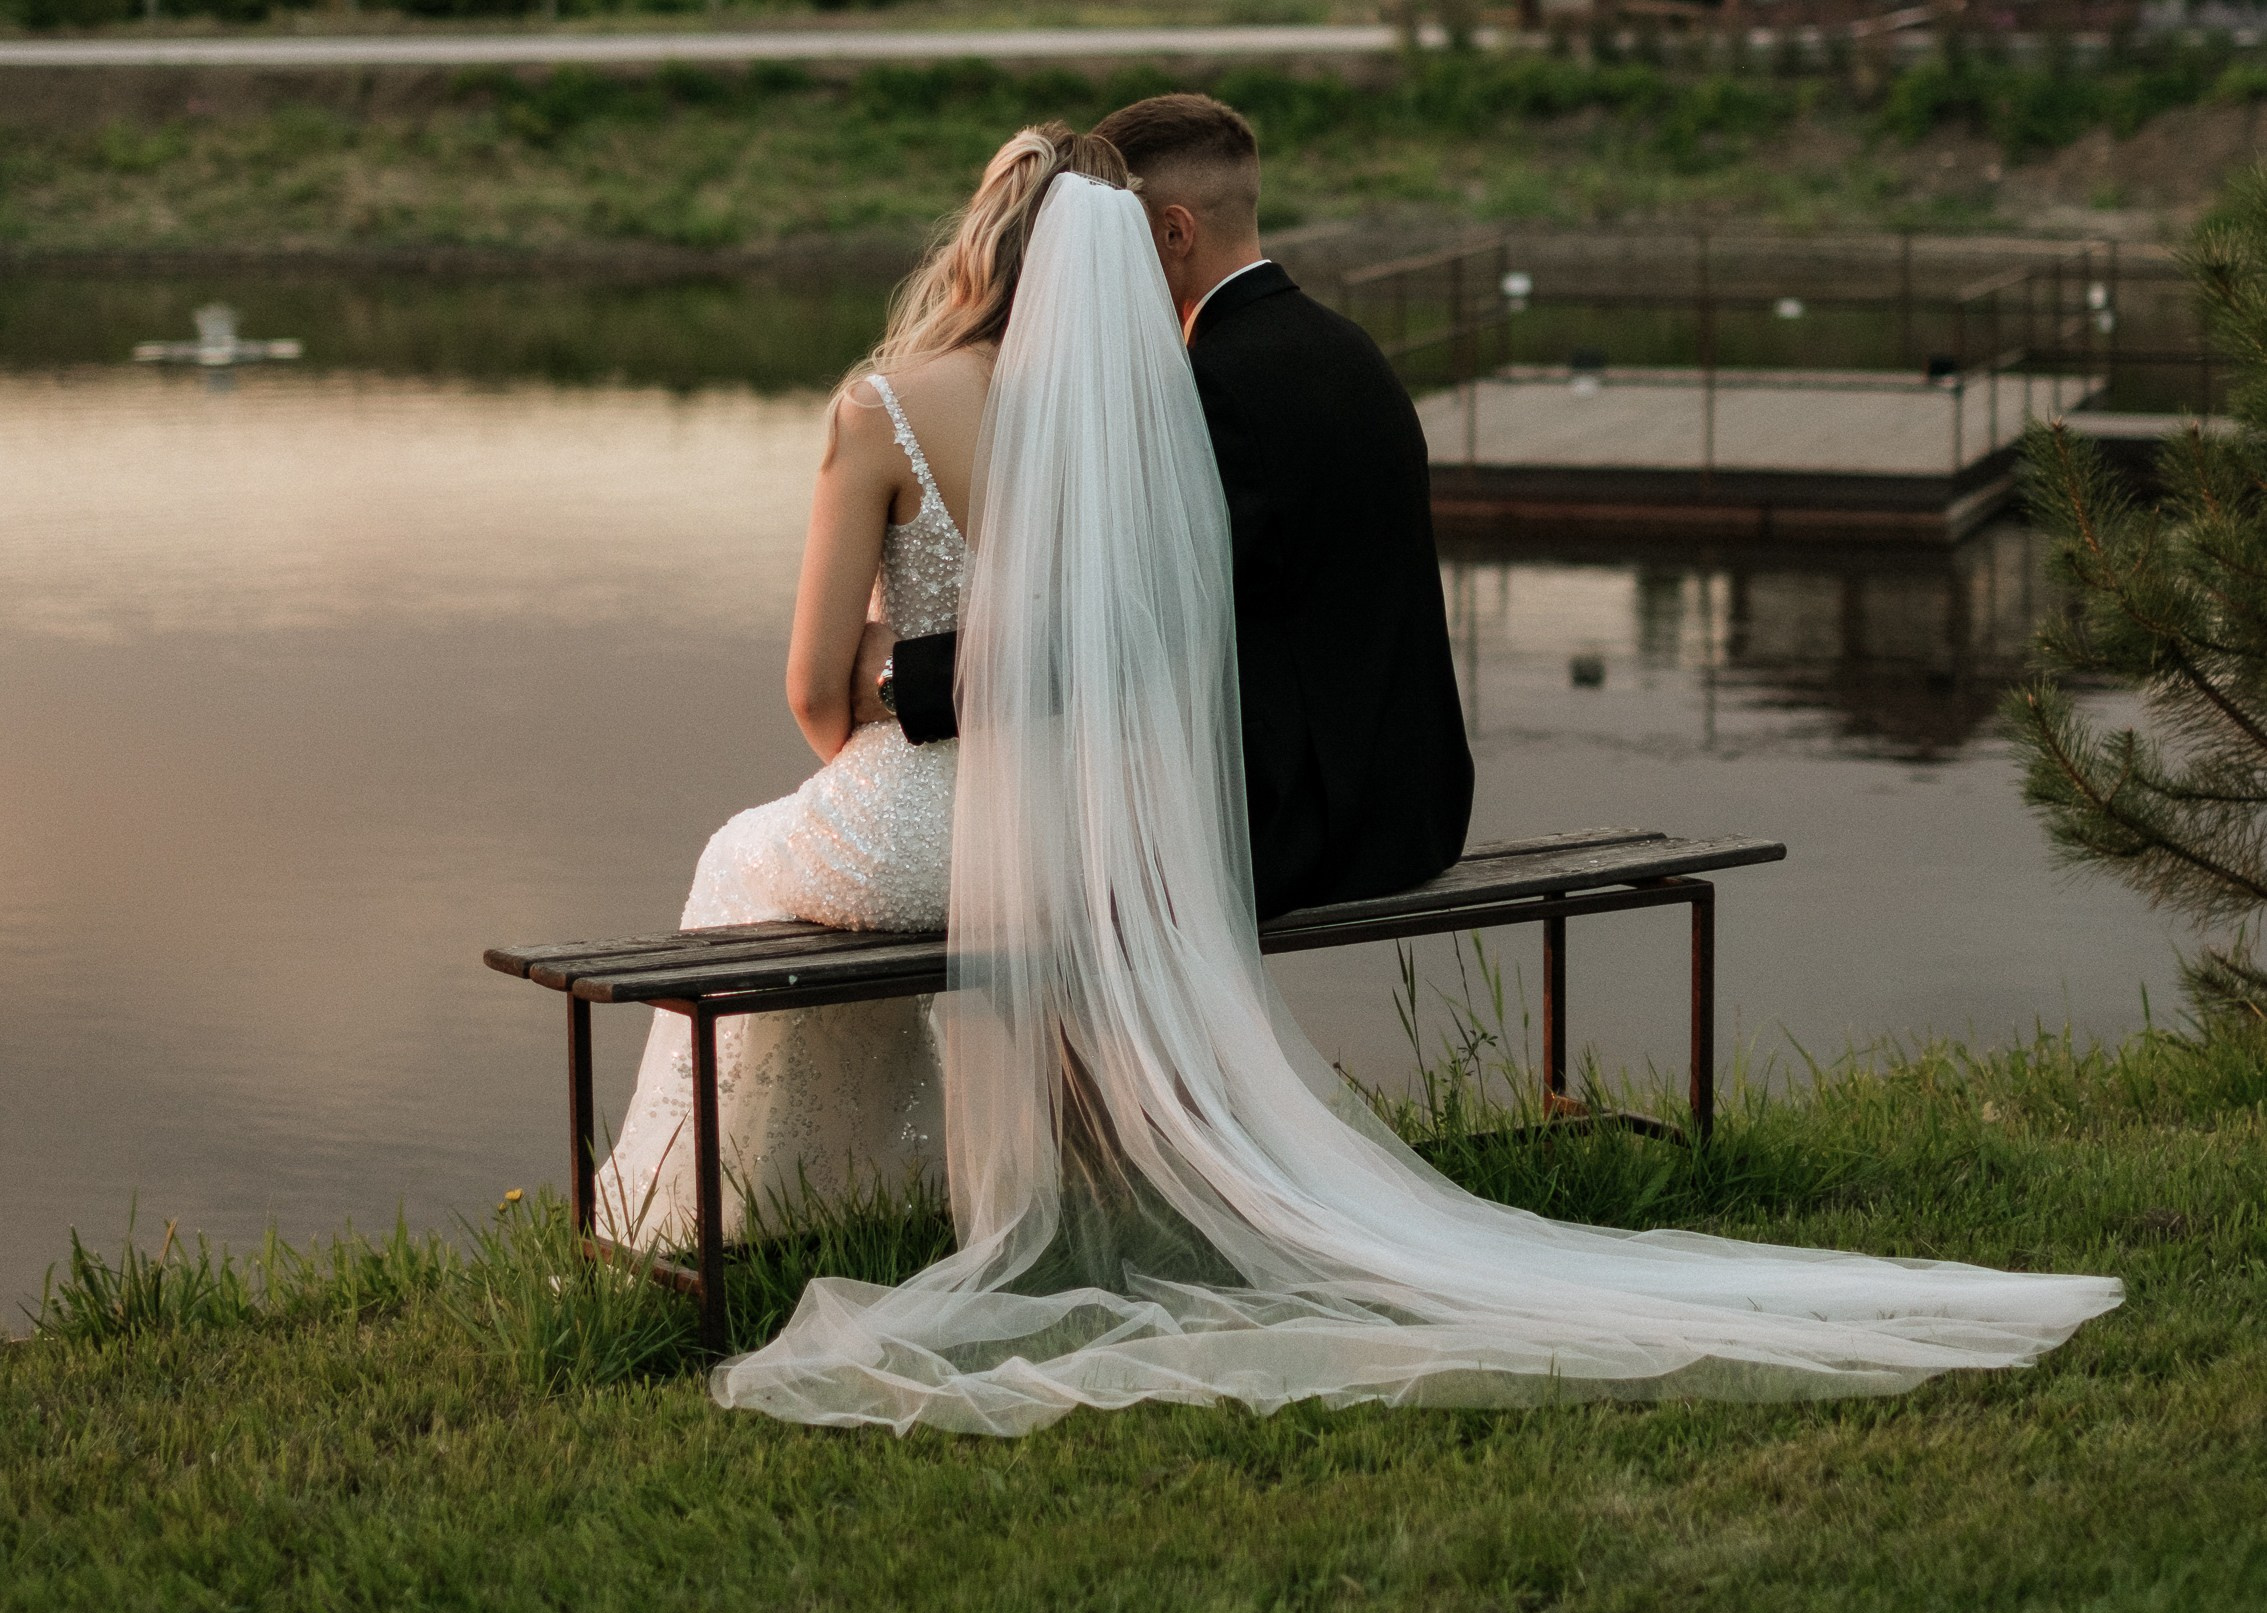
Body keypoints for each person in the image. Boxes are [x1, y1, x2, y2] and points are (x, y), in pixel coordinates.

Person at [710, 160, 2121, 1431]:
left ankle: (740, 1217)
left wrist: (911, 705)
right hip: (1156, 812)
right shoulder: (1180, 402)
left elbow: (852, 692)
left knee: (733, 862)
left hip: (1062, 817)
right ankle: (851, 1199)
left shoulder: (924, 407)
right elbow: (1132, 650)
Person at [597, 123, 1089, 1251]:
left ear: (982, 232)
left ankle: (711, 1226)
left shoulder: (887, 406)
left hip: (926, 838)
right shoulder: (1139, 418)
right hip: (1082, 828)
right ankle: (887, 1195)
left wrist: (884, 673)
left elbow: (815, 692)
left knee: (735, 855)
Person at [872, 92, 1472, 918]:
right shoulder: (1345, 347)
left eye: (1114, 244)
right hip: (1416, 812)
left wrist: (903, 680)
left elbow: (1129, 621)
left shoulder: (1209, 388)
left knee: (1020, 864)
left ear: (1173, 233)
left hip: (1295, 834)